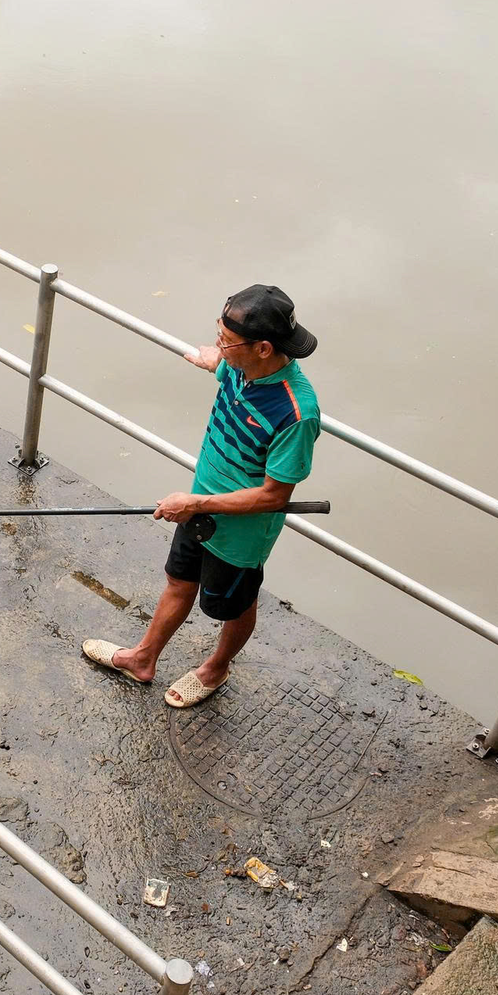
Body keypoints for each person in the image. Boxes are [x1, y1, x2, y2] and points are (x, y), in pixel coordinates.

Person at [82, 284, 321, 707]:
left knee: (232, 604)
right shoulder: (237, 366)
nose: (218, 345)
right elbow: (222, 363)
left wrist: (194, 504)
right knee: (178, 579)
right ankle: (142, 658)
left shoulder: (295, 413)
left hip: (240, 533)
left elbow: (272, 496)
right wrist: (214, 360)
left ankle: (217, 666)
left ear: (264, 348)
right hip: (196, 505)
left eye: (226, 341)